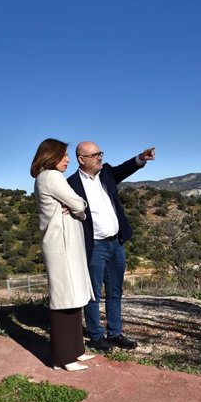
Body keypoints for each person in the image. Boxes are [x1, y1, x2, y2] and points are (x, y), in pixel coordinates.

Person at [67, 141, 155, 352]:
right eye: (95, 155)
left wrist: (141, 158)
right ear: (82, 160)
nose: (100, 157)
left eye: (100, 153)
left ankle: (115, 333)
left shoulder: (106, 173)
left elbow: (124, 169)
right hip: (94, 247)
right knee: (93, 294)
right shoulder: (71, 184)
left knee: (115, 291)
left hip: (116, 243)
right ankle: (96, 336)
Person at [30, 138, 97, 371]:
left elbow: (77, 206)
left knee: (72, 296)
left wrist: (78, 207)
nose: (68, 159)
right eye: (65, 155)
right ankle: (63, 357)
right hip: (62, 245)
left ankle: (75, 350)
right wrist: (79, 207)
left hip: (64, 244)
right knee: (64, 298)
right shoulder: (51, 177)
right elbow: (78, 204)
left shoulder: (46, 178)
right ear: (52, 156)